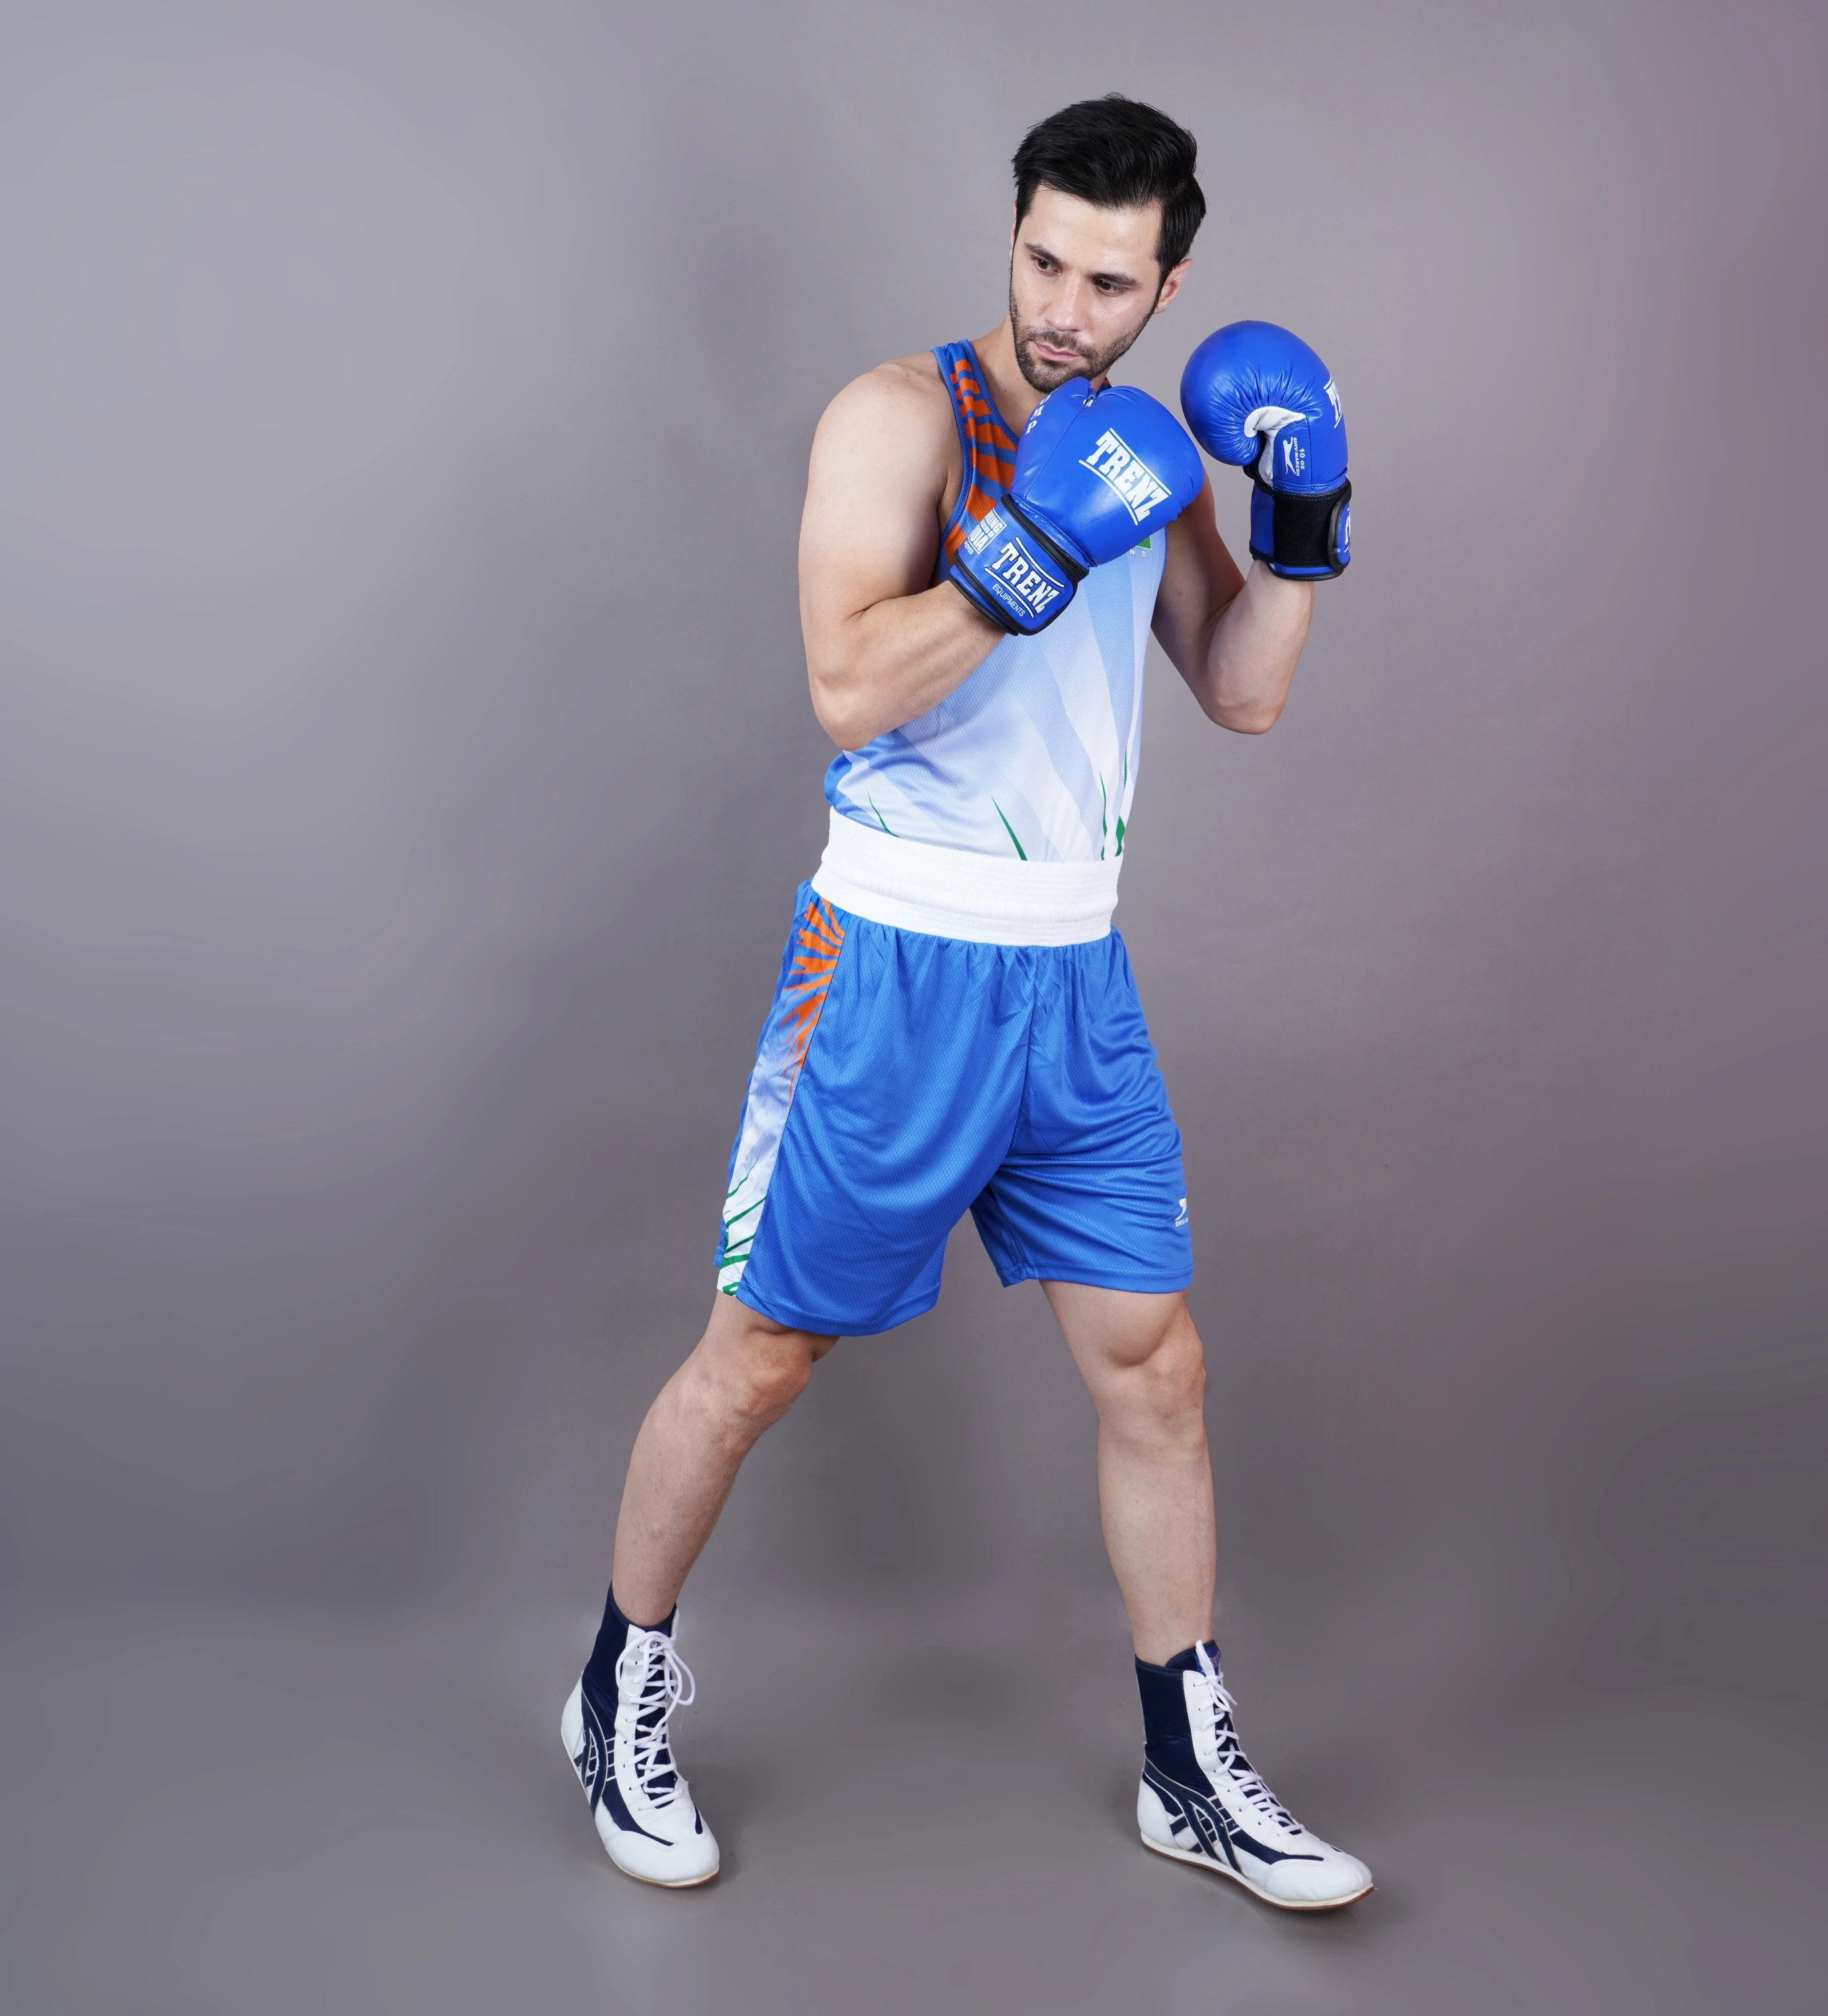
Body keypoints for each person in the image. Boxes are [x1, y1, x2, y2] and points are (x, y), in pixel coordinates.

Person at [561, 94, 1367, 1911]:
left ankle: (1186, 1765)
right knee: (761, 1355)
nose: (1067, 311)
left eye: (1110, 282)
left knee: (1156, 1364)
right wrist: (1025, 551)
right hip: (896, 969)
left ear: (1169, 286)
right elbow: (848, 686)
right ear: (1011, 236)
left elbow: (1241, 689)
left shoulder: (1152, 454)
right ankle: (615, 1685)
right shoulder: (899, 420)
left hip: (1075, 976)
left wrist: (1305, 518)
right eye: (1043, 263)